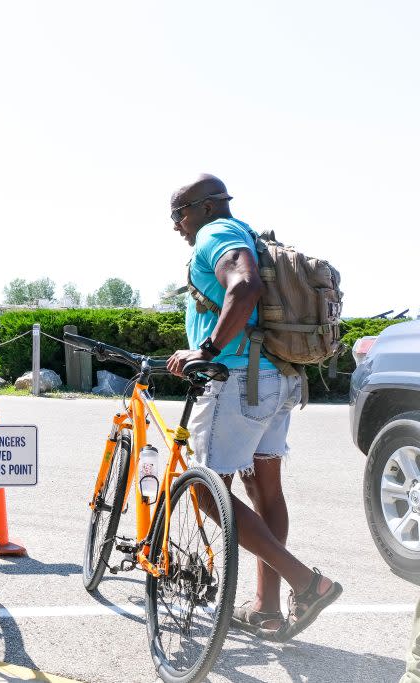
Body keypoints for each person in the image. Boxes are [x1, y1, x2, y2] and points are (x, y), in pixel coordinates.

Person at [166, 174, 341, 642]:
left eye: (178, 215)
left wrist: (206, 348)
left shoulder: (215, 234)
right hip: (278, 376)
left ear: (202, 208)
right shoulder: (246, 232)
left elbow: (243, 288)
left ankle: (307, 583)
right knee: (264, 491)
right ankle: (265, 610)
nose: (177, 227)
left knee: (206, 492)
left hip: (238, 381)